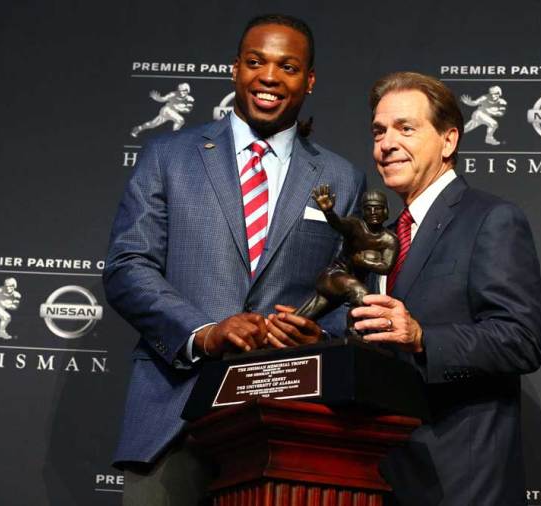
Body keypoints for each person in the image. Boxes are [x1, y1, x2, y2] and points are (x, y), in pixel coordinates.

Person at [103, 14, 365, 506]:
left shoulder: (342, 178)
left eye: (287, 67)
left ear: (308, 81)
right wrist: (204, 332)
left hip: (287, 427)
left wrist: (322, 335)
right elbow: (127, 266)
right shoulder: (169, 155)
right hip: (174, 414)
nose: (269, 77)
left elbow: (349, 292)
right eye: (255, 62)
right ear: (234, 70)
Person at [351, 72, 541, 506]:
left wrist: (422, 338)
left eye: (406, 128)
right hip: (381, 470)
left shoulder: (491, 219)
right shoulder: (378, 233)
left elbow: (522, 341)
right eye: (379, 131)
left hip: (460, 479)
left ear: (448, 140)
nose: (386, 144)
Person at [294, 186, 398, 329]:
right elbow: (339, 224)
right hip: (334, 277)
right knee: (362, 294)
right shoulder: (355, 226)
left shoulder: (389, 239)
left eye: (377, 208)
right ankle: (354, 332)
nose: (373, 212)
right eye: (368, 209)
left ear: (385, 211)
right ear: (363, 212)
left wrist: (363, 261)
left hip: (350, 285)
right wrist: (329, 211)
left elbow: (386, 267)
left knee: (301, 318)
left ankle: (272, 339)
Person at [130, 82, 195, 138]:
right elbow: (163, 99)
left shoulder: (190, 99)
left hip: (173, 113)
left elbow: (188, 110)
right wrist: (157, 98)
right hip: (166, 110)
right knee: (180, 120)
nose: (181, 92)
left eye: (184, 90)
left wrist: (178, 108)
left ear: (188, 90)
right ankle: (174, 137)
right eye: (180, 90)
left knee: (153, 124)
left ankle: (138, 128)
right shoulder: (173, 94)